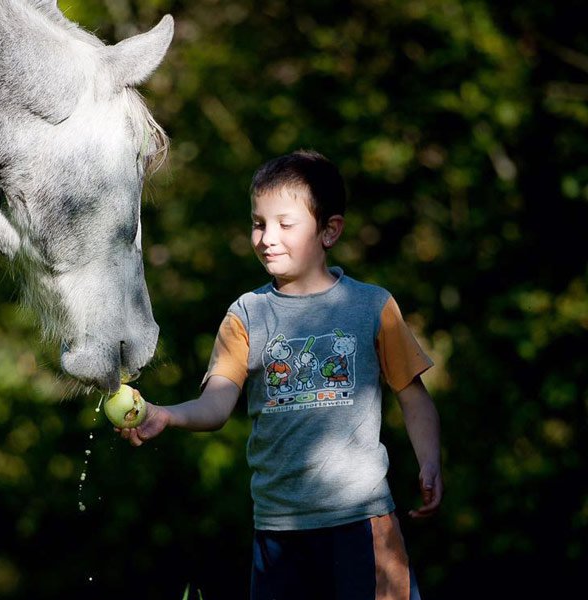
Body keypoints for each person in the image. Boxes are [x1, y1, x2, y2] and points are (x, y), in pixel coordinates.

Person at [120, 149, 442, 599]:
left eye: (284, 224)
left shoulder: (372, 307)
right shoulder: (245, 316)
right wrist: (165, 414)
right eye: (258, 223)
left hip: (361, 522)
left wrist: (429, 461)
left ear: (329, 230)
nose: (267, 237)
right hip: (278, 530)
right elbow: (216, 405)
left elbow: (413, 397)